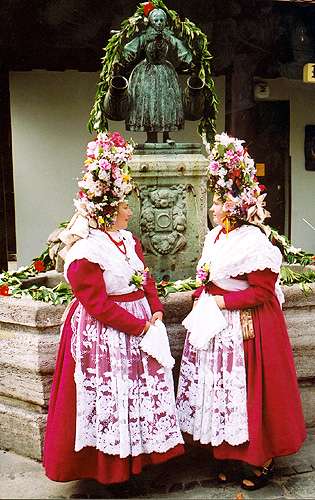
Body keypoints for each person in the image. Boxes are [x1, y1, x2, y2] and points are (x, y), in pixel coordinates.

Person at [43, 131, 184, 486]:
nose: (128, 210)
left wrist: (154, 310)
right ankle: (108, 471)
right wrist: (138, 328)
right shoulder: (85, 251)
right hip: (105, 336)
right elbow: (96, 304)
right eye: (123, 206)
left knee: (134, 399)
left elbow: (144, 276)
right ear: (107, 212)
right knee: (110, 399)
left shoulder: (126, 239)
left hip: (138, 326)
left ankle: (136, 463)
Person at [176, 133, 306, 491]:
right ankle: (229, 455)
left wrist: (221, 302)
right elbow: (211, 276)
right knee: (222, 395)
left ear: (235, 206)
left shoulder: (255, 242)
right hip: (216, 327)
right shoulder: (215, 236)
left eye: (218, 202)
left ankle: (259, 459)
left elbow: (263, 293)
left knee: (250, 393)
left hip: (249, 328)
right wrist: (201, 293)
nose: (213, 208)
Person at [123, 6, 192, 143]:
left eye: (161, 20)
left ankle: (167, 135)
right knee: (149, 103)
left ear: (165, 21)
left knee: (167, 101)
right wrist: (125, 58)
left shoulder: (168, 36)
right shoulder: (146, 36)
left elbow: (179, 46)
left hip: (165, 72)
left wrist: (188, 59)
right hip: (146, 73)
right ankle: (151, 136)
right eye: (156, 20)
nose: (159, 22)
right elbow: (131, 47)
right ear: (151, 21)